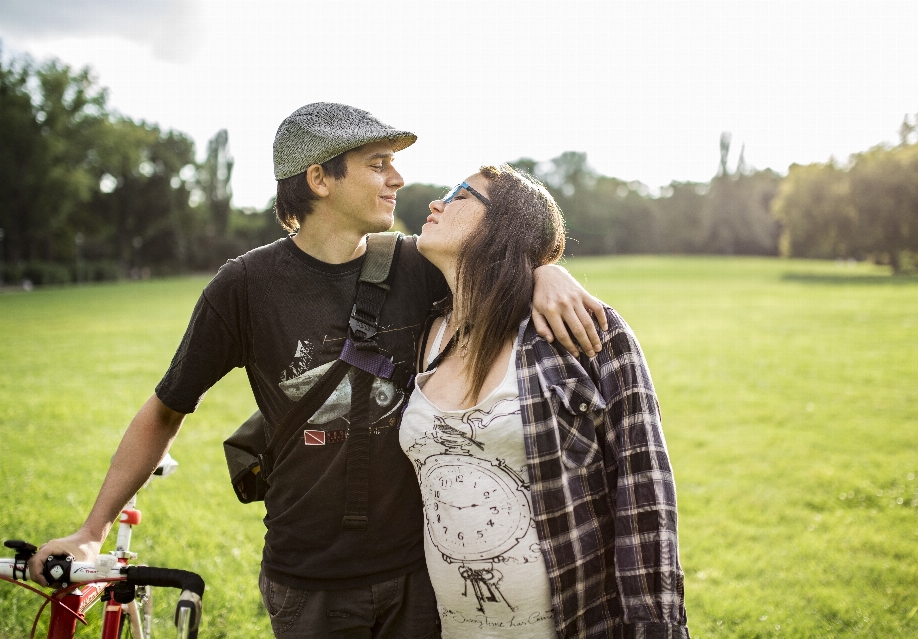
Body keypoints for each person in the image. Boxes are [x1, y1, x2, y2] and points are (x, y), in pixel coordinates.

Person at [28, 104, 607, 639]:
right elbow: (165, 410)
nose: (397, 179)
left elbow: (495, 262)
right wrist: (92, 531)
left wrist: (544, 270)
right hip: (307, 580)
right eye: (378, 165)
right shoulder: (244, 288)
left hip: (421, 571)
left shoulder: (416, 264)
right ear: (319, 178)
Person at [399, 165, 689, 638]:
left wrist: (655, 628)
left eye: (460, 194)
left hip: (576, 623)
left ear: (504, 225)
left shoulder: (582, 330)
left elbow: (644, 492)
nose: (436, 203)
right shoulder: (421, 334)